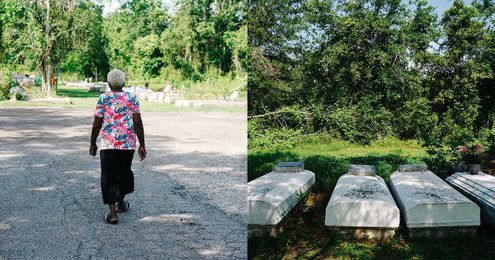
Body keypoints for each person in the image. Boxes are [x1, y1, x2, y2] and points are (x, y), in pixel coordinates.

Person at [89, 69, 146, 224]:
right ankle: (121, 203)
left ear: (108, 83)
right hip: (127, 144)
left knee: (109, 177)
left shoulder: (103, 98)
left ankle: (113, 213)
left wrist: (93, 142)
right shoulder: (131, 98)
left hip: (108, 144)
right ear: (123, 83)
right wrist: (142, 144)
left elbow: (97, 122)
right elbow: (137, 122)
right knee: (123, 173)